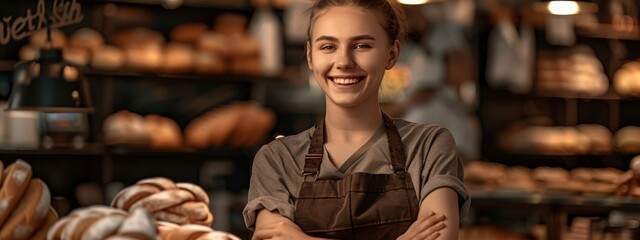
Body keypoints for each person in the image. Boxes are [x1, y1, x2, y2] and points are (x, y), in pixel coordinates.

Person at [243, 0, 470, 239]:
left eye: (361, 45)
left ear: (391, 54)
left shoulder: (429, 146)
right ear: (310, 56)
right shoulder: (277, 159)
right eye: (328, 47)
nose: (343, 62)